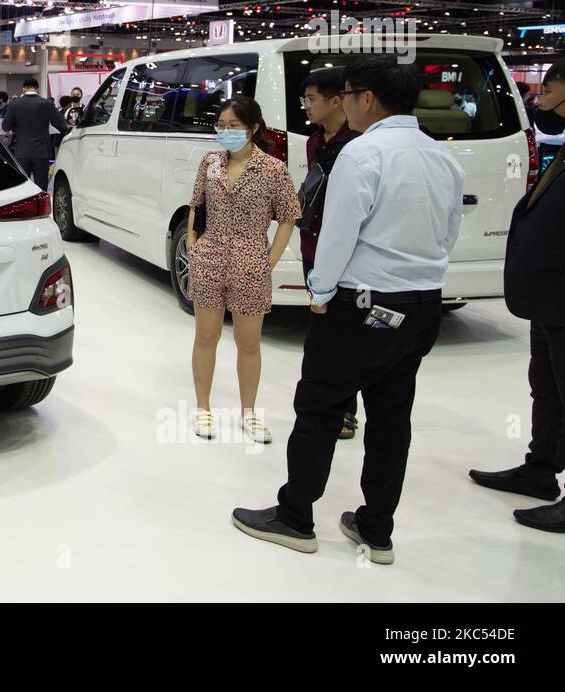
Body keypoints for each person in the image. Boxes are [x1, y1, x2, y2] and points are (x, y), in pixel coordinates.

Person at [232, 57, 464, 564]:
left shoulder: (362, 154)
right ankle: (377, 529)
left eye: (350, 94)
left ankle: (295, 517)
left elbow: (339, 234)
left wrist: (319, 291)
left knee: (318, 409)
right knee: (391, 418)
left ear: (368, 100)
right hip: (421, 304)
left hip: (359, 303)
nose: (346, 103)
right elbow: (449, 230)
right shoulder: (443, 156)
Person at [470, 59, 565, 532]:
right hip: (547, 300)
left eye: (550, 85)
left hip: (559, 297)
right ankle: (540, 469)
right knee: (546, 388)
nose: (541, 94)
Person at [186, 95, 300, 443]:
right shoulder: (210, 163)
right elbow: (196, 205)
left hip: (251, 261)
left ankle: (248, 412)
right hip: (209, 258)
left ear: (253, 128)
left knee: (248, 342)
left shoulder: (273, 169)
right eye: (221, 126)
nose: (226, 132)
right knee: (206, 336)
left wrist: (270, 259)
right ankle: (203, 408)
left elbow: (288, 217)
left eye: (234, 126)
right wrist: (193, 244)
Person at [297, 68, 361, 439]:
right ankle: (326, 404)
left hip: (348, 251)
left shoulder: (359, 143)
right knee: (321, 331)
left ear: (336, 100)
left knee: (347, 335)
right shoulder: (313, 142)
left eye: (312, 99)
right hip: (314, 247)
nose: (306, 106)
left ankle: (346, 410)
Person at [1, 78, 69, 187]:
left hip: (22, 152)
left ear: (23, 89)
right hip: (41, 152)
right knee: (41, 187)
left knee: (23, 188)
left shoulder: (14, 104)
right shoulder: (47, 103)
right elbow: (61, 124)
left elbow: (5, 126)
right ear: (37, 89)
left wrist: (16, 125)